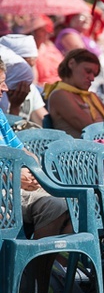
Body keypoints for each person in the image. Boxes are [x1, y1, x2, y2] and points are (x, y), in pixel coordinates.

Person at [0, 58, 71, 239]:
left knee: (75, 202)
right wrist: (13, 176)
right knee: (56, 204)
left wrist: (32, 169)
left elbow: (22, 150)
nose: (6, 89)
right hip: (5, 189)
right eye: (1, 83)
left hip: (14, 185)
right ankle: (26, 263)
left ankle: (44, 265)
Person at [44, 49, 104, 138]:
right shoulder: (59, 95)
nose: (92, 78)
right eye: (88, 71)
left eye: (94, 74)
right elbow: (90, 129)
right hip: (79, 150)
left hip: (103, 145)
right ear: (71, 64)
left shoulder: (91, 96)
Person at [21, 15, 62, 87]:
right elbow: (33, 81)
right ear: (33, 32)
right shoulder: (27, 53)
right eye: (42, 30)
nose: (47, 33)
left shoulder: (51, 48)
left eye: (48, 29)